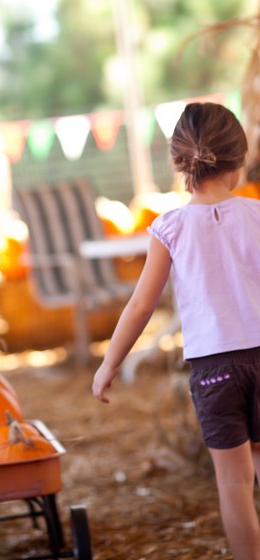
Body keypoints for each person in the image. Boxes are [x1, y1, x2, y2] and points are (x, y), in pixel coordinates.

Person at [92, 102, 260, 560]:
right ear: (239, 159)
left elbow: (141, 305)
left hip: (214, 371)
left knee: (234, 482)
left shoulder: (169, 228)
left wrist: (110, 362)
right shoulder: (256, 215)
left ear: (179, 163)